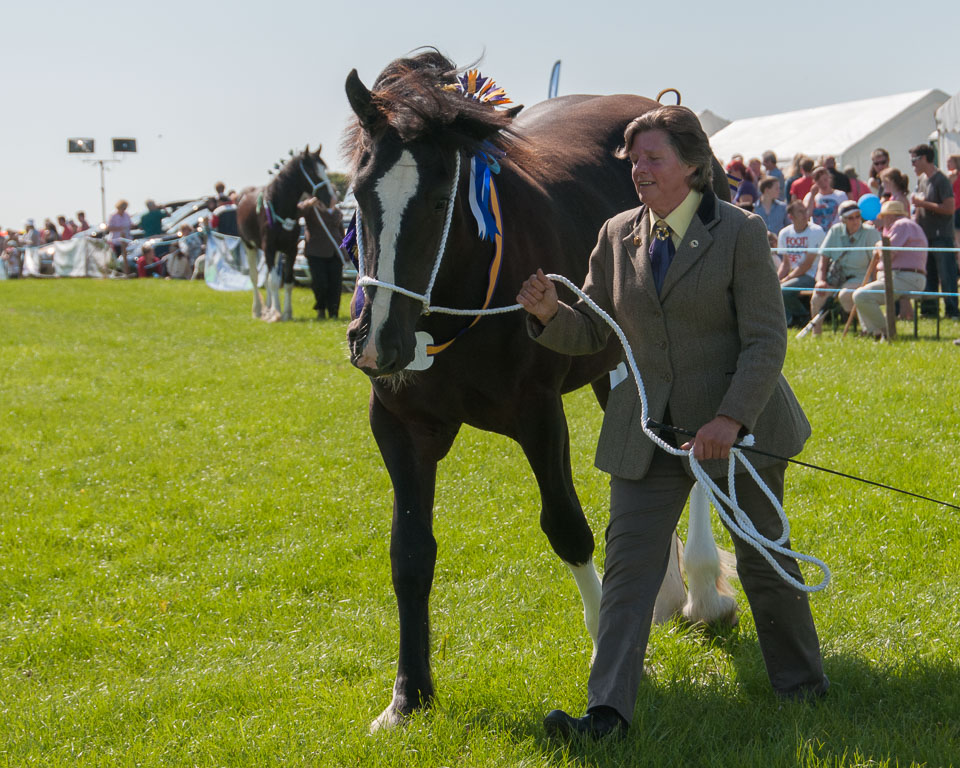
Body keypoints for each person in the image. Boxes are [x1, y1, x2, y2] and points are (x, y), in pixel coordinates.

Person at [517, 105, 827, 741]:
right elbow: (596, 334)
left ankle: (802, 688)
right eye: (633, 161)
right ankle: (606, 716)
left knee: (765, 561)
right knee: (629, 570)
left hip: (742, 429)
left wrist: (729, 419)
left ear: (693, 164)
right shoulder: (614, 234)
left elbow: (767, 341)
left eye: (652, 158)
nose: (639, 171)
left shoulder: (740, 233)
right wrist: (550, 316)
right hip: (650, 434)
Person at [853, 200, 927, 338]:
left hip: (904, 277)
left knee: (861, 296)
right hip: (904, 277)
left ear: (890, 216)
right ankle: (874, 333)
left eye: (883, 217)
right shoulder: (908, 226)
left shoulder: (901, 225)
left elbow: (888, 254)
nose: (883, 221)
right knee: (860, 294)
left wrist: (879, 245)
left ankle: (886, 332)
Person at [808, 200, 881, 335]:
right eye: (851, 218)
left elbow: (876, 262)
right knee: (817, 298)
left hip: (861, 277)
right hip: (836, 276)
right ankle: (815, 335)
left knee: (845, 295)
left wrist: (876, 286)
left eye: (858, 216)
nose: (855, 221)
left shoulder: (870, 232)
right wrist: (820, 281)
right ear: (843, 220)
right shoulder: (835, 230)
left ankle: (872, 331)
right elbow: (823, 258)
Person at [910, 144, 957, 319]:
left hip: (941, 237)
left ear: (924, 158)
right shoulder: (921, 180)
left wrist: (923, 204)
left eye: (914, 160)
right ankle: (929, 311)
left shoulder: (941, 180)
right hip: (925, 237)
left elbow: (949, 208)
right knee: (928, 275)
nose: (913, 165)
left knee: (947, 276)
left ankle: (952, 311)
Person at [777, 201, 826, 325]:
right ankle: (788, 320)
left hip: (812, 275)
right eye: (800, 211)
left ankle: (803, 317)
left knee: (783, 290)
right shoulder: (784, 233)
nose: (805, 214)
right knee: (773, 287)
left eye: (805, 210)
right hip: (796, 276)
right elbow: (785, 264)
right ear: (791, 216)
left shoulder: (816, 231)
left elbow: (807, 264)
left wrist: (786, 279)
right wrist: (776, 279)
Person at [298, 197, 346, 319]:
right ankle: (321, 309)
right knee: (320, 283)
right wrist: (308, 203)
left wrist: (345, 252)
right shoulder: (311, 210)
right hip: (316, 252)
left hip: (335, 252)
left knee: (335, 284)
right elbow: (297, 212)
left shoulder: (337, 212)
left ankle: (333, 312)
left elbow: (341, 232)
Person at [803, 166, 847, 231]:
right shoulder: (809, 196)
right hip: (817, 233)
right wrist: (812, 196)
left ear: (829, 178)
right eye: (819, 180)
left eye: (825, 179)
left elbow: (846, 215)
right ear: (814, 182)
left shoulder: (841, 195)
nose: (823, 183)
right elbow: (806, 216)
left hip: (835, 233)